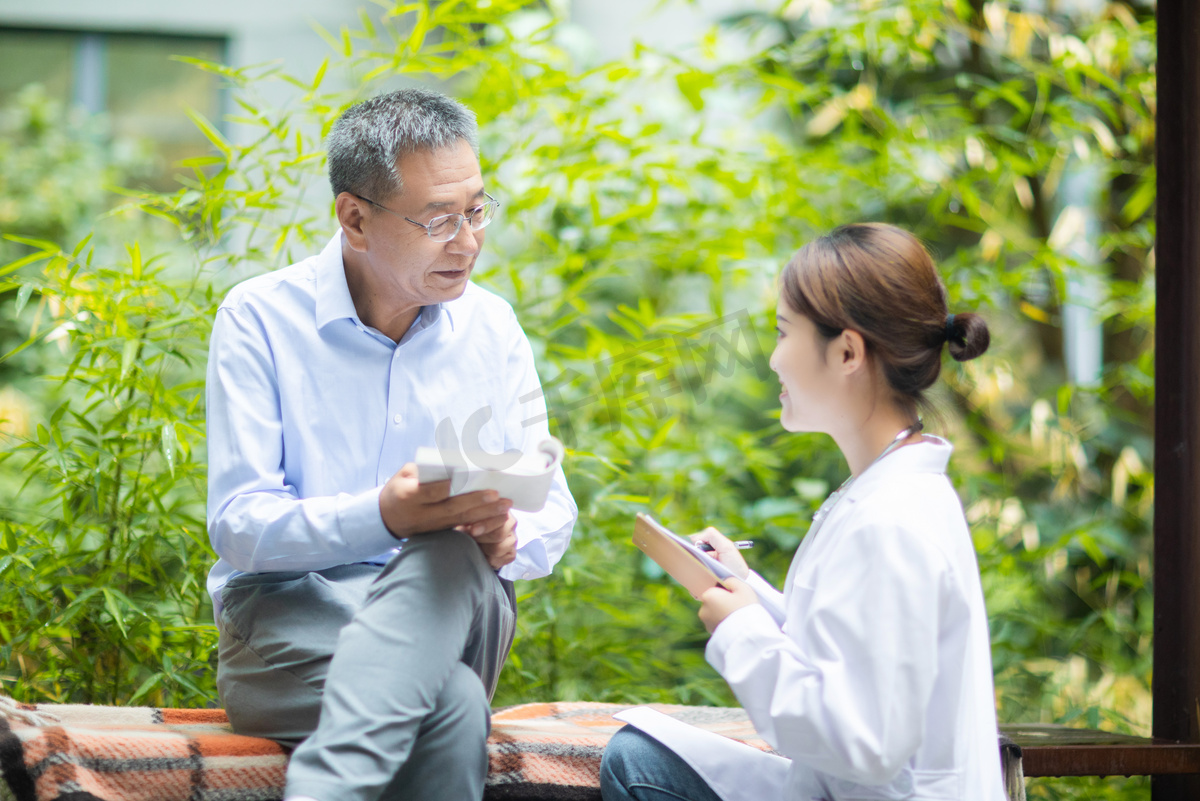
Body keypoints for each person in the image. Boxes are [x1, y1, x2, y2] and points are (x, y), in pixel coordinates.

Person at [205, 88, 577, 801]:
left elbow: (551, 508)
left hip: (455, 601)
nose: (467, 240)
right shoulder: (259, 319)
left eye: (475, 210)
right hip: (293, 619)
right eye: (439, 219)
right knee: (455, 708)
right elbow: (240, 524)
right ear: (355, 218)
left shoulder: (492, 327)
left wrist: (505, 535)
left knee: (449, 541)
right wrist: (384, 514)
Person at [601, 223, 1005, 800]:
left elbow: (865, 741)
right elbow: (853, 648)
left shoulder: (889, 520)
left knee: (636, 765)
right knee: (640, 757)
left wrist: (741, 630)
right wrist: (747, 591)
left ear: (846, 351)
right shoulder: (887, 490)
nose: (772, 360)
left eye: (783, 333)